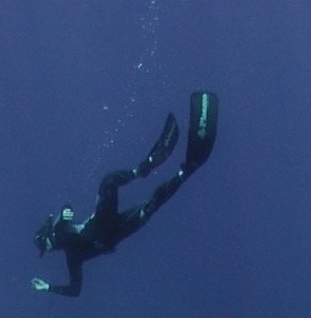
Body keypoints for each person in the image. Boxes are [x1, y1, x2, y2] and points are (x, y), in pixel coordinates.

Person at [34, 90, 218, 297]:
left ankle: (142, 169)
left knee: (108, 182)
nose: (49, 247)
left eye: (46, 243)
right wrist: (47, 287)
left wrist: (66, 211)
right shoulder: (72, 257)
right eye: (46, 248)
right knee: (151, 205)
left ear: (47, 233)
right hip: (115, 233)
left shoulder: (60, 227)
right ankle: (186, 171)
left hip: (101, 220)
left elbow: (65, 207)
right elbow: (75, 290)